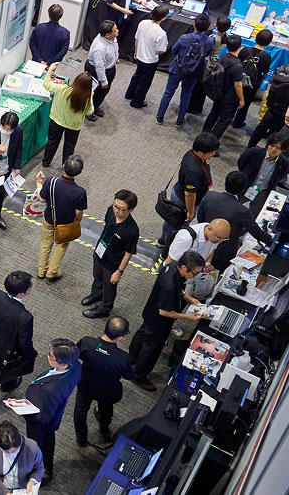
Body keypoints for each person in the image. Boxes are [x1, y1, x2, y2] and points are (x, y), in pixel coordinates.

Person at [130, 251, 205, 391]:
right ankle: (139, 375)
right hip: (159, 322)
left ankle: (132, 357)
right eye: (194, 273)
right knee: (152, 349)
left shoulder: (171, 266)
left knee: (142, 334)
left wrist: (188, 298)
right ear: (184, 267)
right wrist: (187, 317)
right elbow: (164, 311)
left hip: (150, 311)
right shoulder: (170, 286)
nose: (195, 276)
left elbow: (179, 288)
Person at [0, 271, 35, 422]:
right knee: (9, 367)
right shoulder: (25, 317)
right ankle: (6, 386)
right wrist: (32, 354)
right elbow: (25, 343)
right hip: (9, 349)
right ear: (22, 293)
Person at [23, 339, 80, 482]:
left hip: (39, 424)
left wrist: (24, 410)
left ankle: (42, 473)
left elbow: (44, 417)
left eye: (51, 357)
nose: (48, 357)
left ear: (64, 364)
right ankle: (48, 467)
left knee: (38, 447)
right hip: (52, 415)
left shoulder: (52, 390)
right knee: (48, 440)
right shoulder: (76, 365)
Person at [74, 317, 134, 447]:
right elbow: (128, 376)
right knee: (106, 410)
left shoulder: (87, 342)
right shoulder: (123, 358)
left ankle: (81, 438)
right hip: (107, 390)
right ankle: (104, 429)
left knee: (80, 410)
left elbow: (76, 355)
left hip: (85, 384)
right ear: (120, 337)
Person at [81, 188, 139, 319]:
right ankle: (96, 295)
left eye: (121, 209)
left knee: (109, 287)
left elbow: (129, 253)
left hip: (112, 264)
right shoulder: (110, 211)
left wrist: (119, 272)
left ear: (131, 210)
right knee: (97, 277)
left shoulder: (132, 230)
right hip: (100, 252)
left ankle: (105, 308)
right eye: (115, 206)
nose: (116, 211)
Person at [198, 173, 273, 270]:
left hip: (203, 242)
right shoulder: (242, 211)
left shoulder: (210, 196)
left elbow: (200, 218)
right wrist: (273, 242)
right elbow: (257, 233)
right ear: (243, 189)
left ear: (225, 182)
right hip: (224, 252)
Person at [158, 132, 220, 247]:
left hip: (179, 190)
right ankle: (168, 246)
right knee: (177, 226)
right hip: (183, 202)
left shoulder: (191, 153)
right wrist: (190, 212)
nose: (213, 154)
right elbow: (189, 194)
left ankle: (162, 240)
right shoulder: (194, 171)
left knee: (170, 219)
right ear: (201, 151)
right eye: (211, 152)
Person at [248, 43, 289, 146]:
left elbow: (273, 81)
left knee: (261, 127)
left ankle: (250, 147)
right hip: (288, 110)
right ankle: (267, 152)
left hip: (273, 104)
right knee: (277, 134)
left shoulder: (283, 68)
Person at [34, 156, 87, 281]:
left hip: (49, 218)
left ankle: (41, 270)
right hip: (66, 223)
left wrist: (38, 183)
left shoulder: (51, 181)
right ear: (79, 172)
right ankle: (52, 271)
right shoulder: (80, 192)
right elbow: (78, 212)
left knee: (45, 244)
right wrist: (78, 220)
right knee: (62, 245)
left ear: (63, 166)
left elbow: (41, 198)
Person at [156, 13, 215, 126]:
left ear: (194, 25)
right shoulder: (209, 41)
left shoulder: (184, 38)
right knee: (186, 95)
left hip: (177, 69)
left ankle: (160, 117)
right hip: (193, 72)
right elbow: (207, 54)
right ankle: (179, 121)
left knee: (168, 93)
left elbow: (174, 50)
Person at [40, 63, 94, 167]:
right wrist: (91, 97)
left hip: (56, 121)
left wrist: (50, 70)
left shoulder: (62, 89)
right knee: (69, 146)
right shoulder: (86, 99)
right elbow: (90, 112)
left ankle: (46, 162)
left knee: (52, 142)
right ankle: (66, 166)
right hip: (74, 126)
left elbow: (46, 84)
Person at [0, 421, 44, 495]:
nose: (11, 454)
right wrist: (5, 492)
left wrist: (33, 480)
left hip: (23, 489)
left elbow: (39, 469)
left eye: (14, 450)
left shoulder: (32, 447)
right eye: (6, 452)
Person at [202, 35, 246, 138]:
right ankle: (211, 142)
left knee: (213, 114)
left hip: (218, 91)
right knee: (224, 120)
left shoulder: (223, 56)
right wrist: (241, 99)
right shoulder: (238, 66)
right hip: (229, 97)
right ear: (240, 46)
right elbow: (238, 85)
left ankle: (204, 135)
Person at [126, 5, 169, 108]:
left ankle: (129, 94)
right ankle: (137, 102)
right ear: (163, 18)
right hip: (150, 61)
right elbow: (161, 50)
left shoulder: (143, 23)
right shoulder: (161, 33)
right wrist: (162, 50)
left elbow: (137, 38)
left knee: (137, 75)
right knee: (144, 82)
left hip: (140, 56)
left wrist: (136, 51)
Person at [238, 133, 289, 213]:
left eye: (277, 148)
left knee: (255, 213)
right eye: (272, 146)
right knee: (232, 206)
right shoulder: (253, 152)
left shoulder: (285, 164)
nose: (273, 149)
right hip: (245, 186)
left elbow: (280, 177)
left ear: (283, 150)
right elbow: (241, 163)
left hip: (263, 192)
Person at [233, 29, 275, 128]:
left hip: (239, 78)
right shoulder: (266, 57)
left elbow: (238, 61)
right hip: (252, 83)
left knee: (234, 97)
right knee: (246, 102)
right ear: (268, 43)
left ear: (256, 38)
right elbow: (265, 70)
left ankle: (227, 116)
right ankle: (238, 122)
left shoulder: (245, 50)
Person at [85, 21, 119, 120]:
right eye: (115, 30)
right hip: (95, 71)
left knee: (103, 92)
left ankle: (95, 106)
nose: (117, 31)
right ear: (107, 35)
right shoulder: (99, 48)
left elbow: (115, 47)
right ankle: (87, 111)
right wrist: (103, 81)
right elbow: (99, 67)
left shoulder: (112, 38)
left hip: (109, 68)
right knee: (91, 92)